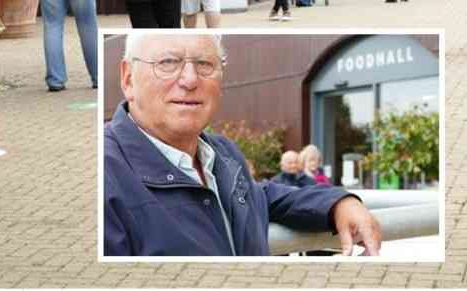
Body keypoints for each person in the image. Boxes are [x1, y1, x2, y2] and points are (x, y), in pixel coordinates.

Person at [104, 33, 382, 256]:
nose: (189, 79)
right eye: (167, 62)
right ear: (128, 78)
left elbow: (261, 196)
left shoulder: (223, 156)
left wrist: (337, 203)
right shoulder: (104, 175)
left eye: (204, 64)